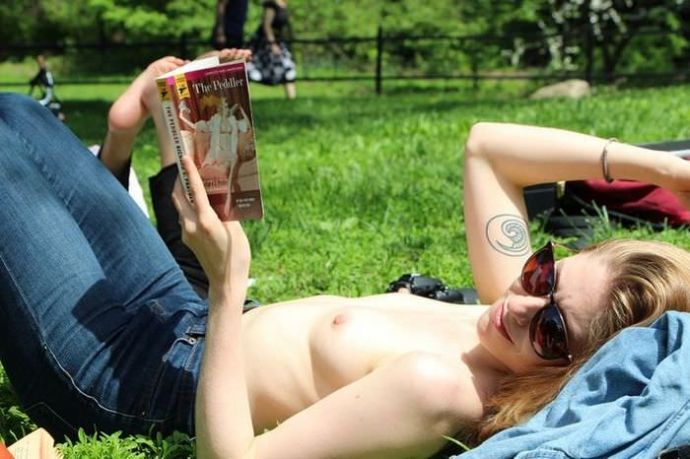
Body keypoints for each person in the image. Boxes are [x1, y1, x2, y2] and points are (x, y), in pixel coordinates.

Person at [2, 55, 690, 459]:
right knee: (19, 115)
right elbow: (487, 147)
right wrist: (662, 169)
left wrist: (226, 285)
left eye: (553, 328)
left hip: (129, 379)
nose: (521, 303)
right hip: (176, 311)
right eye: (545, 272)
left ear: (574, 372)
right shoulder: (502, 309)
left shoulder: (443, 390)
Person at [246, 0, 297, 99]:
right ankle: (243, 98)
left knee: (288, 67)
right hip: (266, 43)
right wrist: (272, 44)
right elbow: (266, 25)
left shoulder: (284, 4)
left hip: (279, 41)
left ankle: (292, 98)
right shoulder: (271, 5)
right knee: (252, 70)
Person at [27, 54, 65, 121]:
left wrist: (34, 81)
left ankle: (58, 116)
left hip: (48, 94)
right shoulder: (44, 71)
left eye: (40, 61)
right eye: (38, 61)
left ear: (43, 61)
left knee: (37, 105)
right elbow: (37, 79)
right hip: (48, 93)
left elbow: (47, 84)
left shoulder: (44, 71)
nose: (39, 63)